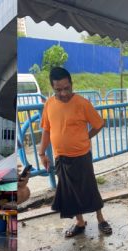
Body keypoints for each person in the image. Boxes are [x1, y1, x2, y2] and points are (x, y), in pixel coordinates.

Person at [39, 67, 111, 238]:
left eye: (66, 88)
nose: (63, 93)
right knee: (70, 193)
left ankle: (101, 219)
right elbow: (46, 129)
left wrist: (86, 137)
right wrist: (42, 153)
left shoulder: (82, 103)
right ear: (52, 88)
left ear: (71, 84)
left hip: (82, 156)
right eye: (58, 90)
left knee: (90, 189)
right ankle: (79, 222)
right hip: (61, 158)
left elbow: (99, 124)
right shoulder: (49, 104)